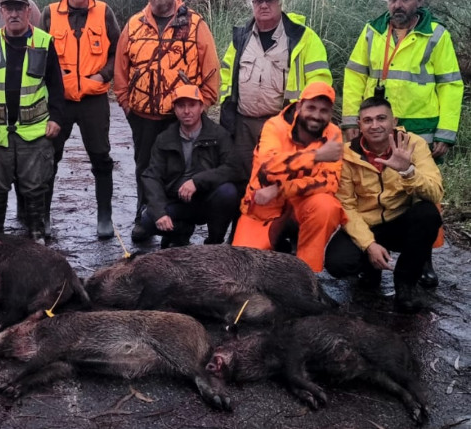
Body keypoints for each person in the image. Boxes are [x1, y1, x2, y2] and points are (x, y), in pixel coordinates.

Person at [114, 0, 221, 242]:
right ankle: (144, 214)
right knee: (145, 168)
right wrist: (127, 104)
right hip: (143, 116)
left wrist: (199, 109)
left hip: (180, 116)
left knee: (180, 169)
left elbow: (211, 71)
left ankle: (179, 222)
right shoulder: (134, 24)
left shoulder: (195, 25)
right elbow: (121, 70)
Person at [325, 97, 443, 312]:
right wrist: (369, 244)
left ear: (393, 121)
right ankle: (371, 267)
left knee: (428, 214)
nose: (375, 125)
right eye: (368, 120)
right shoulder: (346, 154)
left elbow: (435, 192)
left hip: (400, 221)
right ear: (360, 125)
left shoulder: (414, 144)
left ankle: (405, 283)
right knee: (338, 264)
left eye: (381, 118)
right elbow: (346, 206)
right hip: (367, 223)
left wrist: (407, 171)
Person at [0, 0, 64, 243]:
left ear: (28, 12)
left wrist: (56, 118)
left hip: (34, 129)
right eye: (8, 9)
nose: (13, 14)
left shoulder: (44, 41)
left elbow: (56, 85)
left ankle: (35, 233)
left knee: (34, 185)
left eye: (18, 9)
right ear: (2, 12)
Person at [219, 0, 332, 177]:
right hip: (244, 124)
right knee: (245, 178)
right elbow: (225, 75)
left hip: (283, 124)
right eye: (258, 0)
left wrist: (305, 117)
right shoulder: (240, 37)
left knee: (280, 176)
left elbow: (319, 80)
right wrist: (226, 105)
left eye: (269, 0)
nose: (263, 5)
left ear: (280, 2)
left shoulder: (303, 37)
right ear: (252, 4)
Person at [40, 0, 120, 239]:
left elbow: (119, 50)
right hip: (59, 101)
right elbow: (39, 55)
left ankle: (104, 217)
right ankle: (44, 216)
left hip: (93, 99)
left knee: (101, 156)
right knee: (50, 156)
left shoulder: (104, 12)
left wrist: (104, 75)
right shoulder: (49, 14)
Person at [342, 0, 463, 158]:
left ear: (419, 1)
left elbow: (450, 85)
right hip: (377, 123)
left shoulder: (436, 35)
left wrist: (446, 132)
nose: (397, 5)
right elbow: (354, 76)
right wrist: (351, 121)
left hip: (420, 127)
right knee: (374, 180)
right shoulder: (372, 31)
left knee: (418, 181)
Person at [232, 82, 345, 273]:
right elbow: (268, 169)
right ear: (299, 106)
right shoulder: (274, 126)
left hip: (301, 204)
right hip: (264, 205)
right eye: (311, 108)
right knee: (243, 269)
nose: (316, 115)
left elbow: (329, 182)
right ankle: (276, 246)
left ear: (330, 113)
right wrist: (316, 156)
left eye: (323, 111)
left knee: (327, 206)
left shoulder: (333, 133)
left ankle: (307, 274)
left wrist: (280, 189)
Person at [140, 85, 242, 247]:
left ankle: (214, 242)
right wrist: (159, 213)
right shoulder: (164, 138)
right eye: (181, 106)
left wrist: (197, 181)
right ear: (174, 109)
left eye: (192, 105)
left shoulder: (218, 135)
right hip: (177, 201)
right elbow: (152, 176)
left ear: (201, 107)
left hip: (207, 199)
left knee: (228, 192)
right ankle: (180, 234)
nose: (187, 111)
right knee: (148, 221)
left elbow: (232, 169)